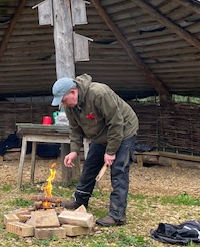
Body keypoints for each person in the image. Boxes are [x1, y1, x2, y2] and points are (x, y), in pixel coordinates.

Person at [51, 74, 139, 227]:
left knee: (119, 170)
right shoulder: (70, 106)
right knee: (90, 166)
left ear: (73, 92)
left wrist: (111, 152)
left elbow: (116, 123)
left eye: (64, 100)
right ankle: (80, 201)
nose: (63, 104)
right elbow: (75, 129)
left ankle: (117, 215)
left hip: (124, 130)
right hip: (101, 135)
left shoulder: (99, 93)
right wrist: (74, 150)